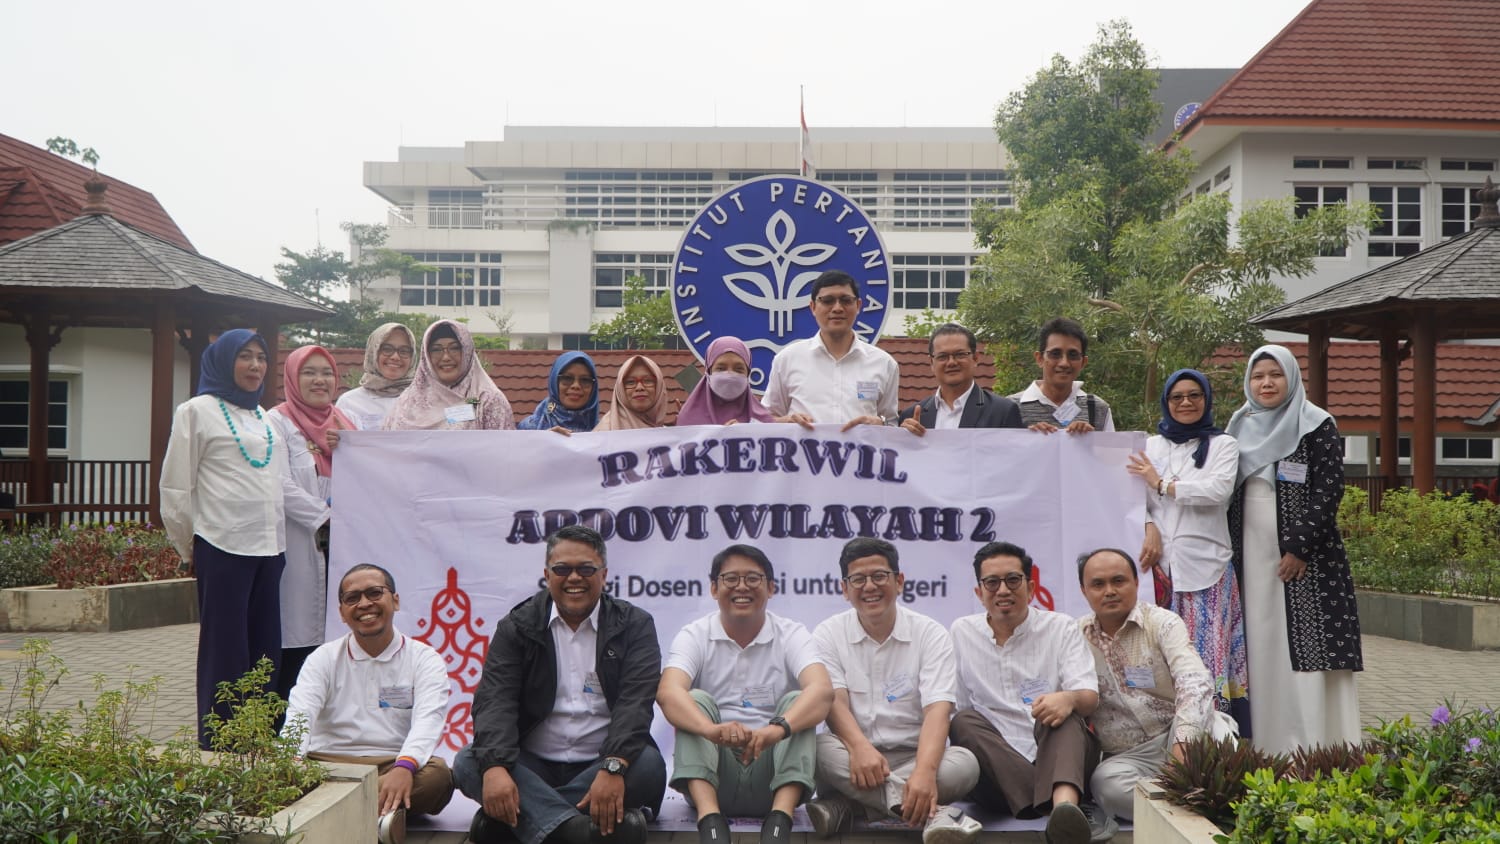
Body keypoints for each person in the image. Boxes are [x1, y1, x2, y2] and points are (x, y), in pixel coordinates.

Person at [456, 526, 666, 844]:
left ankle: (520, 821)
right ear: (547, 574)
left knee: (648, 765)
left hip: (602, 763)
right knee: (470, 761)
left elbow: (635, 703)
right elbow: (495, 700)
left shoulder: (634, 625)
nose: (574, 578)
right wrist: (497, 765)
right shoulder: (517, 626)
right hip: (532, 764)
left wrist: (613, 767)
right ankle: (577, 832)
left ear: (604, 574)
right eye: (562, 569)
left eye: (586, 569)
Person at [1226, 344, 1362, 754]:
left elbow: (1328, 488)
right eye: (1257, 376)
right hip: (1248, 553)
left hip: (1306, 559)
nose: (1266, 383)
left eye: (1275, 375)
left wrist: (1300, 546)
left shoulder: (1316, 423)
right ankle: (1266, 747)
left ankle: (1314, 747)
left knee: (1304, 649)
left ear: (1292, 377)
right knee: (1260, 642)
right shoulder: (1238, 425)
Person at [160, 328, 288, 748]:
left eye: (261, 358)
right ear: (223, 361)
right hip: (222, 546)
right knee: (225, 649)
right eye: (245, 356)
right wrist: (188, 545)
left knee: (266, 649)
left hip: (270, 549)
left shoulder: (265, 417)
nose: (255, 366)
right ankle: (221, 741)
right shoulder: (197, 411)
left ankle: (260, 736)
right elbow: (177, 487)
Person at [808, 538, 981, 844]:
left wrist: (926, 773)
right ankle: (936, 814)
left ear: (899, 581)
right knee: (818, 748)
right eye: (858, 579)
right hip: (852, 758)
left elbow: (938, 711)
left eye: (879, 576)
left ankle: (849, 807)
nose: (869, 586)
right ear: (844, 589)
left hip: (917, 755)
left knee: (965, 763)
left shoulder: (929, 633)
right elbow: (835, 704)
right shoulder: (827, 633)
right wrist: (860, 748)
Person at [657, 544, 833, 844]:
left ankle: (780, 822)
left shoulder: (792, 634)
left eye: (753, 579)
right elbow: (667, 692)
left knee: (798, 703)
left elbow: (822, 692)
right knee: (695, 700)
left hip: (773, 773)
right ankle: (710, 823)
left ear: (771, 587)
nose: (742, 587)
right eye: (731, 579)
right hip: (713, 772)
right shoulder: (695, 634)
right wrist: (710, 730)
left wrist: (774, 731)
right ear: (714, 588)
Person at [948, 541, 1108, 844]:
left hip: (1062, 765)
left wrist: (1068, 698)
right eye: (992, 583)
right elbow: (956, 708)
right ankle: (1050, 800)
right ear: (979, 593)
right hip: (998, 778)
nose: (1003, 590)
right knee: (963, 721)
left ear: (1031, 588)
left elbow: (1089, 697)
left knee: (1066, 712)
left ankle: (1064, 811)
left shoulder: (1060, 627)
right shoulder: (961, 632)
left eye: (1013, 580)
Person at [283, 564, 455, 844]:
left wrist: (405, 767)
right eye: (352, 598)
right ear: (341, 612)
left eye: (375, 593)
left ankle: (334, 814)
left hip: (390, 765)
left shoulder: (424, 659)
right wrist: (291, 762)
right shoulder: (323, 658)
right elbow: (300, 715)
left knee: (439, 777)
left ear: (395, 601)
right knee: (282, 773)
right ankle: (379, 820)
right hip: (327, 764)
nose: (365, 604)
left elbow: (428, 721)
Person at [1125, 369, 1249, 729]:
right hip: (1159, 571)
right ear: (1166, 402)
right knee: (1156, 660)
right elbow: (1133, 498)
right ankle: (1161, 737)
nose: (1186, 403)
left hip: (1206, 570)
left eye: (1194, 395)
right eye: (1176, 397)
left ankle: (1211, 739)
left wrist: (1162, 483)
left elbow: (1217, 491)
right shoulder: (1149, 446)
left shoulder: (1223, 445)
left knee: (1205, 660)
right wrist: (1148, 525)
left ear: (1207, 400)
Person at [1075, 548, 1236, 823]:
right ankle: (1193, 809)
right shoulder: (1076, 636)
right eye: (1098, 584)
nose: (1110, 591)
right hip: (1131, 756)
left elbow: (1194, 682)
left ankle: (1171, 807)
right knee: (1105, 785)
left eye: (1119, 581)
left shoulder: (1162, 622)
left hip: (1180, 732)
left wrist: (1183, 743)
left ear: (1136, 583)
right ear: (1084, 590)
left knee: (1220, 738)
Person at [266, 345, 353, 702]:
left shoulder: (345, 423)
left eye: (327, 373)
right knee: (298, 637)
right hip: (301, 541)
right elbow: (279, 483)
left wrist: (352, 445)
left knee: (340, 637)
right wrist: (325, 516)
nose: (320, 380)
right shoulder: (276, 422)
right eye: (309, 372)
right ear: (291, 377)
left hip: (345, 546)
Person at [763, 271, 900, 429]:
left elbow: (892, 423)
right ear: (813, 307)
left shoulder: (884, 363)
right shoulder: (787, 359)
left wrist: (881, 423)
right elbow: (764, 420)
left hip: (862, 453)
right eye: (827, 301)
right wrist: (786, 421)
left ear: (858, 306)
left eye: (846, 300)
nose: (837, 308)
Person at [384, 319, 515, 430]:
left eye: (454, 348)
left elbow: (505, 453)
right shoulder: (407, 401)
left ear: (467, 351)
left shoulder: (486, 400)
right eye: (436, 350)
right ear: (426, 356)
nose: (446, 357)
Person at [895, 323, 1023, 435]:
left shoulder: (1002, 411)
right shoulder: (911, 417)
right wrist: (906, 440)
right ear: (931, 363)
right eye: (942, 356)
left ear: (976, 358)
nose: (951, 362)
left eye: (960, 355)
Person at [1009, 318, 1114, 434]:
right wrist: (1028, 438)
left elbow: (1110, 452)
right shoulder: (1009, 408)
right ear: (1039, 359)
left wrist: (1092, 440)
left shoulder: (1097, 409)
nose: (1064, 363)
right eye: (1055, 354)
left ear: (1083, 362)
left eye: (1073, 355)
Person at [676, 337, 776, 427]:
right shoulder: (688, 421)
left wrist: (747, 433)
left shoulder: (764, 423)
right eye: (721, 368)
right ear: (708, 372)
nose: (729, 375)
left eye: (739, 369)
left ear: (748, 374)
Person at [337, 323, 418, 431]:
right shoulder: (349, 402)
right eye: (387, 349)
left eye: (404, 351)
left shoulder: (423, 400)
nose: (395, 357)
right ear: (373, 351)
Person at [520, 351, 601, 434]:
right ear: (554, 382)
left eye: (585, 380)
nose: (576, 386)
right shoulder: (529, 429)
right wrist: (542, 440)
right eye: (567, 378)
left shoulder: (603, 432)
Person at [595, 355, 670, 431]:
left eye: (648, 381)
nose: (639, 388)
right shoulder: (604, 432)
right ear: (620, 389)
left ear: (659, 386)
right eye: (630, 382)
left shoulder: (667, 435)